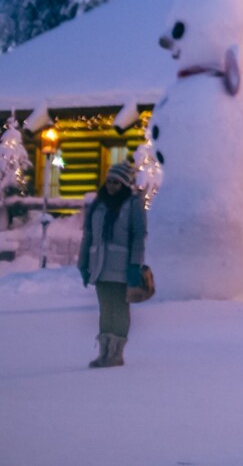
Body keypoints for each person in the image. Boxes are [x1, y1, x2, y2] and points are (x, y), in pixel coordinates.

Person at [77, 158, 147, 368]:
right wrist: (83, 263)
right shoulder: (98, 205)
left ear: (124, 184)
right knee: (105, 309)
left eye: (116, 182)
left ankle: (116, 352)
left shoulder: (133, 204)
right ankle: (104, 351)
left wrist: (135, 265)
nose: (112, 186)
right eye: (109, 181)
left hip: (122, 267)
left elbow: (138, 236)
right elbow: (88, 234)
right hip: (99, 266)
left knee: (119, 309)